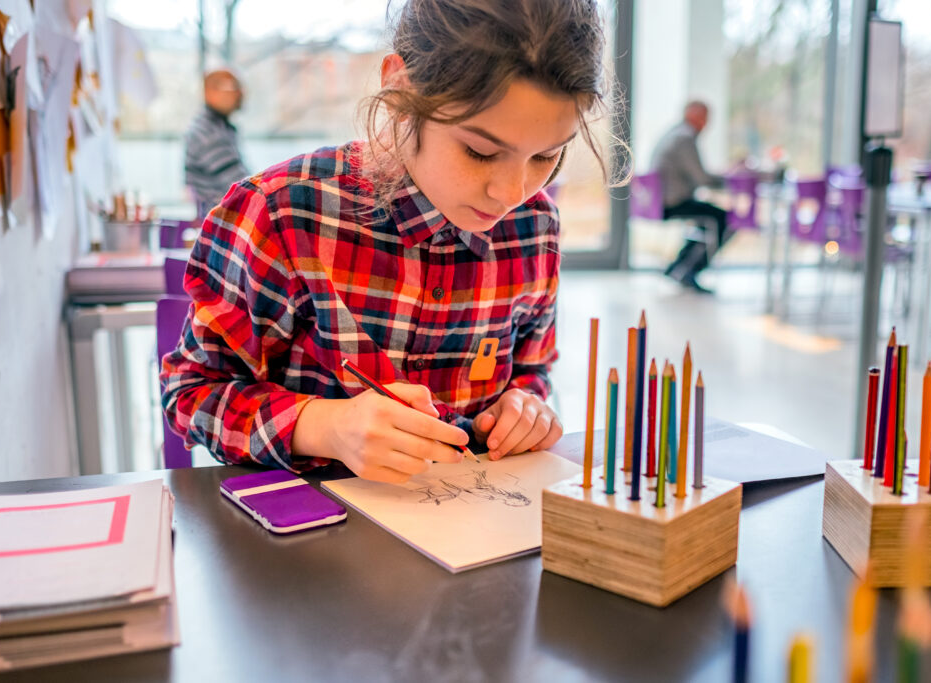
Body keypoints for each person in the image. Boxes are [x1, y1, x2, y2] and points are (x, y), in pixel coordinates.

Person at [161, 0, 620, 484]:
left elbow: (531, 373)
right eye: (480, 151)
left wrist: (525, 409)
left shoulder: (535, 227)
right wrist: (325, 427)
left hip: (478, 528)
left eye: (547, 156)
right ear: (399, 89)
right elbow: (191, 392)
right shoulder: (284, 213)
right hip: (311, 536)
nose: (512, 193)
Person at [652, 101, 728, 294]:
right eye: (705, 118)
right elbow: (702, 178)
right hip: (673, 203)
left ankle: (678, 266)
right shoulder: (685, 138)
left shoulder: (673, 133)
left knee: (706, 216)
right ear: (696, 117)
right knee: (722, 217)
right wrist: (730, 178)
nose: (707, 124)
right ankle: (691, 271)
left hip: (660, 202)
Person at [183, 68, 250, 219]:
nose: (241, 93)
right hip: (220, 224)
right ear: (210, 92)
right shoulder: (209, 134)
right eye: (234, 87)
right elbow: (243, 187)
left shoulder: (217, 127)